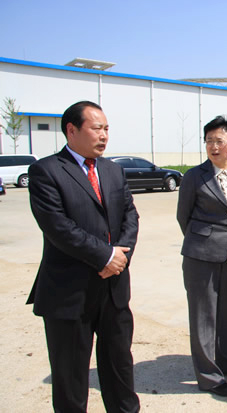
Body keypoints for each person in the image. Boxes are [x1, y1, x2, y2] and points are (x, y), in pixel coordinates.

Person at [27, 101, 140, 412]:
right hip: (69, 293)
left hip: (114, 289)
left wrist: (120, 257)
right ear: (72, 130)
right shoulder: (46, 171)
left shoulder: (113, 170)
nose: (104, 136)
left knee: (119, 367)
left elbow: (130, 216)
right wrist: (105, 256)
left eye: (107, 129)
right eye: (96, 128)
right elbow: (58, 227)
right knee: (71, 377)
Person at [177, 116, 227, 397]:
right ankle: (209, 376)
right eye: (208, 141)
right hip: (201, 255)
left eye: (219, 141)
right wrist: (205, 239)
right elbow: (183, 216)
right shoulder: (194, 176)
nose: (213, 146)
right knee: (203, 315)